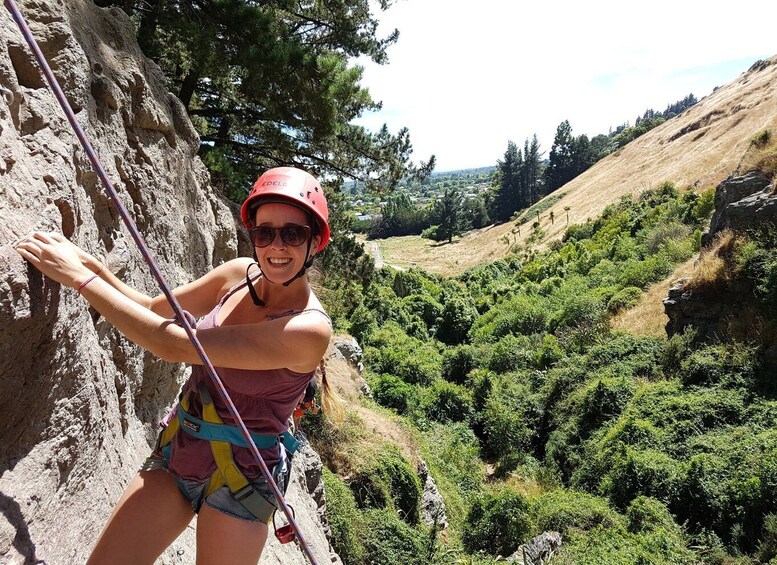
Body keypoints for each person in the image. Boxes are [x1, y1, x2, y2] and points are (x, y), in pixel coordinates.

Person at [14, 167, 341, 564]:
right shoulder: (236, 276)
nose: (277, 245)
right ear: (252, 234)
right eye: (264, 232)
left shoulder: (307, 329)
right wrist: (84, 262)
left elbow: (173, 344)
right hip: (181, 451)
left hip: (242, 483)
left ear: (315, 242)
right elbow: (153, 309)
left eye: (293, 233)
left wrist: (80, 280)